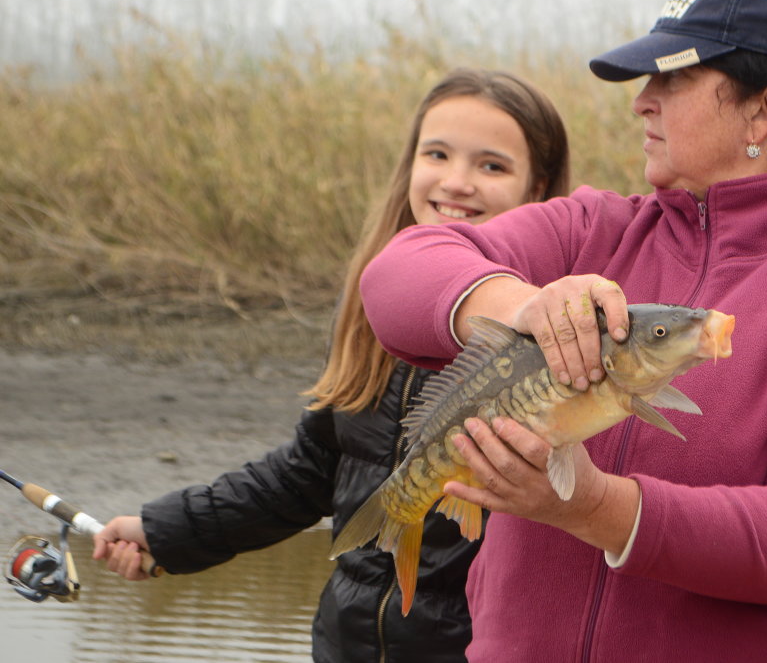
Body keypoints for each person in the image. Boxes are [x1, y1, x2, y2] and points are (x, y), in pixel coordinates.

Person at [357, 0, 767, 662]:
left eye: (675, 76)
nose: (643, 99)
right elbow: (397, 274)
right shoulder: (589, 230)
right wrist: (521, 302)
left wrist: (593, 508)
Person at [91, 67, 572, 663]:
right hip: (344, 646)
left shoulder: (558, 340)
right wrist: (168, 533)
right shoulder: (370, 312)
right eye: (437, 154)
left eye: (491, 165)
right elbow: (311, 470)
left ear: (540, 189)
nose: (456, 181)